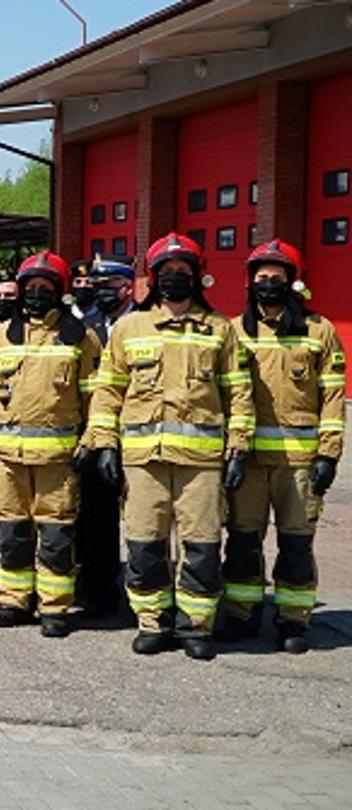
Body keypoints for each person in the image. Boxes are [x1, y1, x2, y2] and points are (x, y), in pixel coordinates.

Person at [85, 233, 252, 659]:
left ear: (197, 277)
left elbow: (239, 394)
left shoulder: (220, 330)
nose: (174, 279)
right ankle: (153, 622)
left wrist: (239, 448)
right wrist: (105, 443)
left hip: (202, 464)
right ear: (154, 279)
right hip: (143, 463)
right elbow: (108, 392)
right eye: (167, 273)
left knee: (201, 546)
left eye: (183, 272)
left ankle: (195, 626)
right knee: (144, 544)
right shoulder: (128, 328)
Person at [0, 253, 101, 637]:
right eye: (31, 288)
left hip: (59, 461)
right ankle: (14, 601)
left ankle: (55, 608)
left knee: (57, 536)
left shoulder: (81, 337)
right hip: (8, 459)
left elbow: (96, 397)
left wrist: (91, 441)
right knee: (12, 534)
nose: (36, 295)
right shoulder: (2, 336)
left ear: (59, 292)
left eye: (45, 288)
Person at [222, 239, 342, 653]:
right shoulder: (233, 332)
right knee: (242, 542)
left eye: (276, 278)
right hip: (248, 462)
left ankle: (293, 620)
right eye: (261, 279)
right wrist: (230, 453)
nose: (268, 285)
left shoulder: (319, 332)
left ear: (292, 282)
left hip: (299, 464)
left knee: (295, 545)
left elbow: (332, 399)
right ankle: (241, 615)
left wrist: (329, 453)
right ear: (249, 285)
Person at [75, 255, 137, 617]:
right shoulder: (87, 327)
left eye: (107, 287)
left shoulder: (147, 323)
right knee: (96, 518)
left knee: (148, 522)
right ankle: (99, 591)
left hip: (141, 435)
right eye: (96, 288)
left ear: (127, 288)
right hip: (97, 436)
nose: (100, 294)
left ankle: (152, 595)